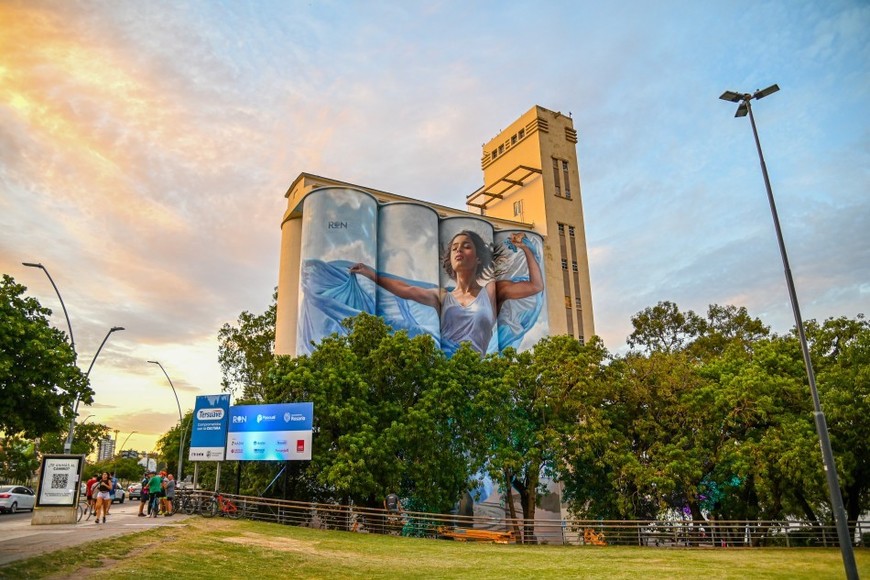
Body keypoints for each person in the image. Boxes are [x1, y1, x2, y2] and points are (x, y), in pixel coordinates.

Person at [350, 231, 543, 356]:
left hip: (474, 372)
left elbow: (536, 286)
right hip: (444, 370)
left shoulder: (492, 292)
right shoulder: (442, 297)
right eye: (454, 247)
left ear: (477, 258)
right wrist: (371, 274)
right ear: (450, 259)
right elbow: (406, 290)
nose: (459, 249)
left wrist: (526, 248)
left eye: (466, 246)